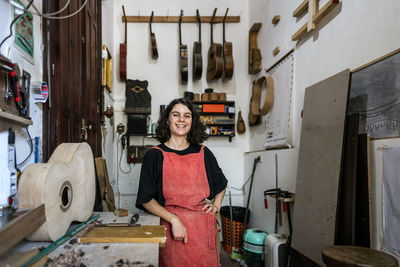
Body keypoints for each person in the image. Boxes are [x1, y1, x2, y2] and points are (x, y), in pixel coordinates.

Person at [136, 97, 227, 267]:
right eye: (176, 115)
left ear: (192, 122)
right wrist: (174, 220)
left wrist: (217, 205)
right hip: (171, 230)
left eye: (187, 116)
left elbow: (221, 183)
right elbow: (146, 200)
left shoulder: (203, 152)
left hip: (202, 232)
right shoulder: (154, 155)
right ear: (167, 120)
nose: (181, 120)